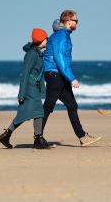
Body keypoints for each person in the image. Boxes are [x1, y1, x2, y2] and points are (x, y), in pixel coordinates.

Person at [42, 10, 101, 146]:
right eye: (76, 21)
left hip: (59, 74)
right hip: (55, 74)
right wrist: (71, 78)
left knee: (72, 105)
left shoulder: (63, 35)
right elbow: (60, 58)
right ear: (69, 22)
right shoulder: (61, 36)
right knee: (48, 107)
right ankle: (37, 137)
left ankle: (82, 137)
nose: (77, 23)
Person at [0, 28, 50, 149]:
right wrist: (21, 94)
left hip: (34, 86)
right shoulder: (32, 54)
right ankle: (38, 139)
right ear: (41, 40)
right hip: (30, 87)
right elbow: (25, 73)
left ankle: (7, 134)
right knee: (38, 112)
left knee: (25, 112)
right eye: (46, 38)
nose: (47, 40)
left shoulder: (37, 52)